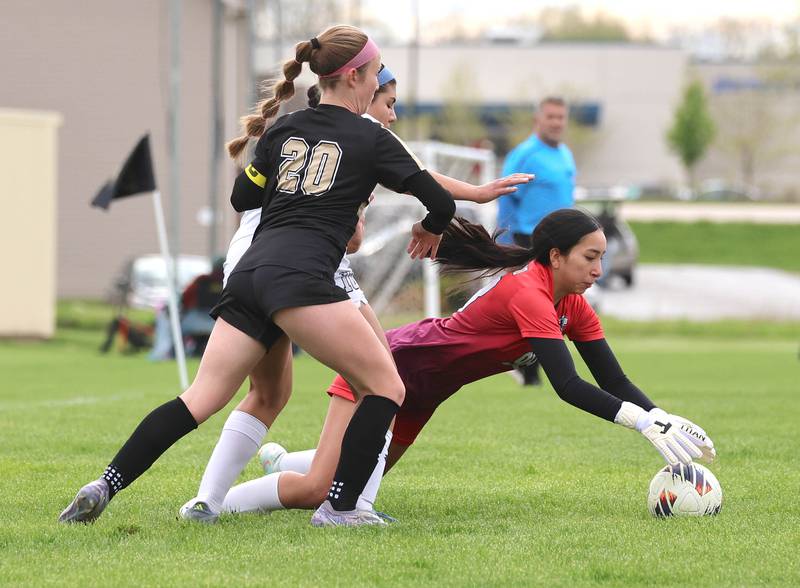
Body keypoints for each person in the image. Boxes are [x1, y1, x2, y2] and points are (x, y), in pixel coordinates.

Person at [58, 25, 458, 528]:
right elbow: (440, 202)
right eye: (376, 75)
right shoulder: (372, 137)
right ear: (356, 77)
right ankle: (340, 508)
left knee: (200, 398)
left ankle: (105, 484)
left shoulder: (283, 129)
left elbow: (242, 199)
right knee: (384, 388)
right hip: (303, 278)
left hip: (250, 273)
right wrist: (429, 228)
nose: (378, 84)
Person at [178, 65, 534, 523]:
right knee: (372, 380)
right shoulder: (359, 130)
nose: (393, 115)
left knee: (282, 391)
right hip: (283, 264)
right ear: (359, 87)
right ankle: (331, 501)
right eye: (389, 103)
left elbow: (413, 181)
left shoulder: (332, 131)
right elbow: (421, 181)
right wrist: (473, 197)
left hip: (283, 263)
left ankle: (249, 492)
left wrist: (476, 195)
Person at [216, 210, 716, 519]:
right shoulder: (529, 293)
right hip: (391, 367)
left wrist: (660, 416)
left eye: (603, 258)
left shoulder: (573, 305)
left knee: (363, 466)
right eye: (590, 257)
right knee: (321, 491)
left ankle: (283, 461)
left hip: (426, 393)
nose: (598, 270)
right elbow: (565, 385)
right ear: (556, 256)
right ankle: (220, 504)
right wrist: (639, 421)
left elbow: (612, 379)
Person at [496, 96, 576, 385]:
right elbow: (506, 196)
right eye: (551, 117)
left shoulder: (566, 154)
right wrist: (505, 244)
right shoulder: (524, 154)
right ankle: (527, 370)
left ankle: (532, 367)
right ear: (538, 120)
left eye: (561, 117)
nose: (556, 122)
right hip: (528, 239)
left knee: (558, 307)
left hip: (563, 243)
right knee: (532, 307)